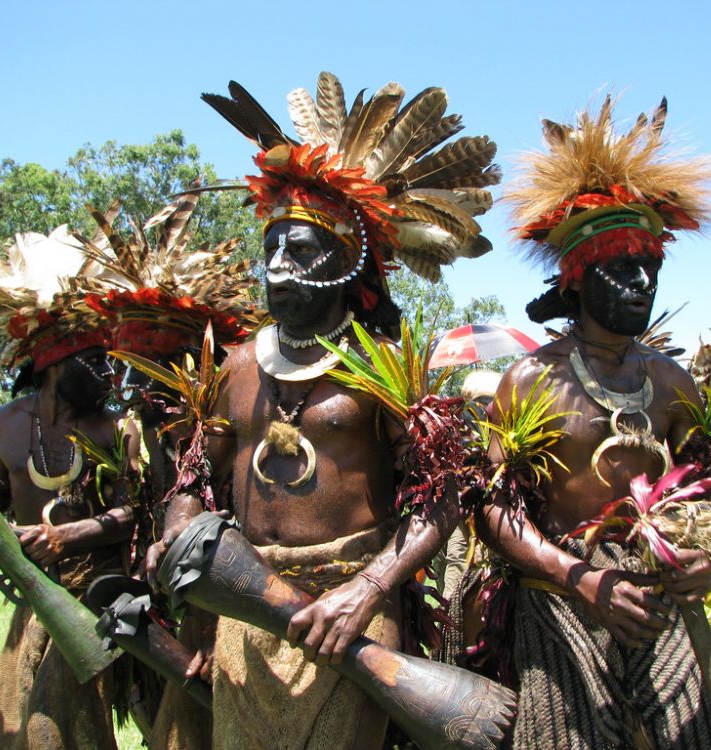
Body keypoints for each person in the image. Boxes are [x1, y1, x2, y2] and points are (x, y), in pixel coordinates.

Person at [147, 71, 499, 750]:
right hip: (246, 604)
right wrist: (179, 533)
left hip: (350, 612)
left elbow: (445, 495)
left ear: (346, 262)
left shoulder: (387, 366)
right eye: (271, 247)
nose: (278, 264)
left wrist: (368, 590)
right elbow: (195, 476)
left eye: (301, 248)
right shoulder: (237, 366)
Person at [479, 96, 711, 748]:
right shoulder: (531, 381)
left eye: (651, 267)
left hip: (656, 604)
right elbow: (493, 510)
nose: (642, 283)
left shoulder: (674, 382)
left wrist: (708, 555)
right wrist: (581, 578)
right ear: (579, 277)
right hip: (559, 602)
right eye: (622, 268)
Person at [79, 188, 264, 750]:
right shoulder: (143, 430)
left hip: (227, 616)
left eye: (148, 369)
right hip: (167, 613)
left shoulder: (223, 418)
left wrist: (218, 631)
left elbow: (249, 529)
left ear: (185, 363)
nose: (132, 387)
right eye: (124, 369)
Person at [0, 226, 141, 750]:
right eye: (96, 360)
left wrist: (68, 538)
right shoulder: (4, 425)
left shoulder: (115, 428)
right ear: (51, 362)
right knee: (13, 717)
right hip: (33, 590)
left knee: (59, 718)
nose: (110, 372)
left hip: (99, 593)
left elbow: (133, 514)